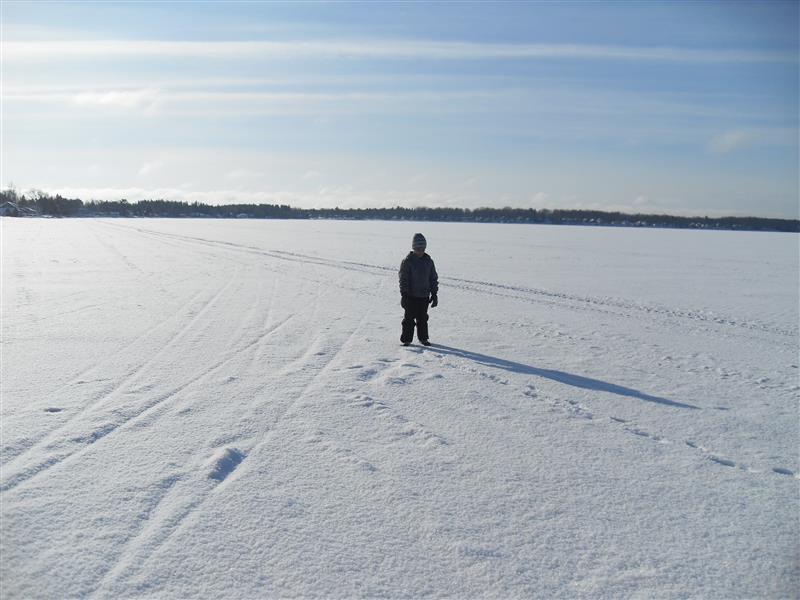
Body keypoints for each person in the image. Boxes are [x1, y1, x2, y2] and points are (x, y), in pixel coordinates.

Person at [399, 233, 438, 346]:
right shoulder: (408, 261)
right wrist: (404, 294)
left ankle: (423, 338)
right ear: (414, 248)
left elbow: (433, 278)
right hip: (410, 296)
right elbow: (403, 279)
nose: (420, 251)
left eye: (422, 248)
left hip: (424, 296)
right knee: (409, 319)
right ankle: (406, 340)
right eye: (418, 249)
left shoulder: (428, 261)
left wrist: (434, 294)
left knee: (423, 319)